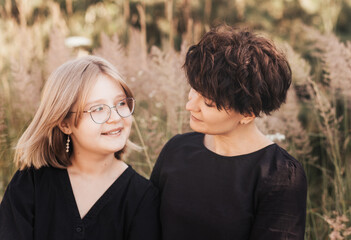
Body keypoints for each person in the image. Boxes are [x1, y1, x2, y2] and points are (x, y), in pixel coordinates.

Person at [151, 25, 307, 240]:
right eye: (194, 89)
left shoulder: (280, 176)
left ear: (248, 113)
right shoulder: (176, 150)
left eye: (208, 102)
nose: (190, 106)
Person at [0, 56, 160, 240]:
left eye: (121, 103)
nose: (115, 117)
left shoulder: (142, 197)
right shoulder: (31, 182)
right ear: (65, 123)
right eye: (98, 108)